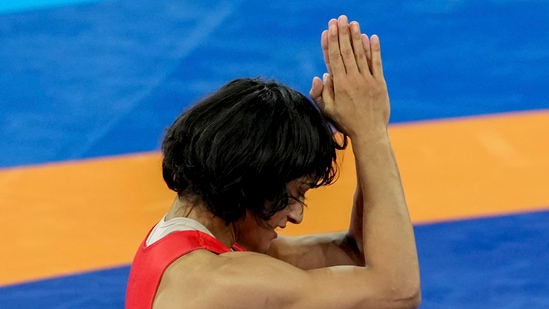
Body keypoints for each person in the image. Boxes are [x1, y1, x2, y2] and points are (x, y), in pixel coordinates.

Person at [126, 15, 421, 309]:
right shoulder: (218, 282)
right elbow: (397, 291)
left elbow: (358, 254)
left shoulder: (197, 243)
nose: (296, 216)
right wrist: (371, 131)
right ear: (252, 182)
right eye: (296, 194)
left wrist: (362, 129)